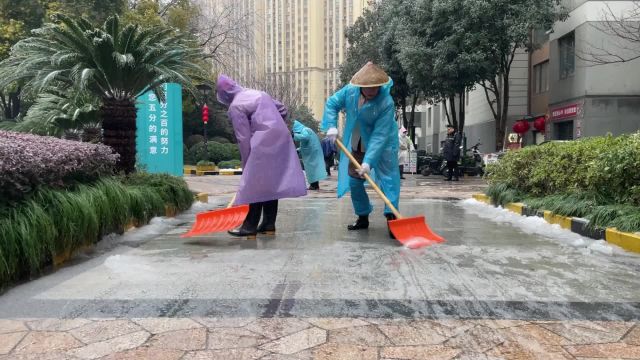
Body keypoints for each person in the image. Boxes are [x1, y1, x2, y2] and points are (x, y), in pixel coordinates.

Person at [215, 75, 307, 236]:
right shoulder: (259, 93)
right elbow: (283, 109)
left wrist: (247, 163)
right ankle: (268, 224)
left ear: (224, 95)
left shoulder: (236, 106)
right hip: (281, 138)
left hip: (262, 140)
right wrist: (274, 123)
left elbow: (243, 138)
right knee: (270, 182)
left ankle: (249, 227)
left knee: (254, 183)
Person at [322, 62, 400, 239]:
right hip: (358, 144)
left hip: (384, 144)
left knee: (389, 180)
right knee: (355, 182)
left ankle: (392, 218)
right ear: (360, 86)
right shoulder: (350, 91)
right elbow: (332, 103)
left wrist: (368, 162)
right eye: (367, 87)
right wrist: (331, 126)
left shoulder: (386, 102)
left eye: (376, 87)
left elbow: (380, 135)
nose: (372, 90)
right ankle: (362, 216)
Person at [292, 120, 327, 190]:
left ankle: (314, 185)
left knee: (312, 170)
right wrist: (298, 150)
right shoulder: (305, 130)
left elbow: (305, 137)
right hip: (312, 153)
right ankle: (314, 185)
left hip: (311, 154)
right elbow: (305, 144)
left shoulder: (305, 130)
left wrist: (294, 135)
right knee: (312, 170)